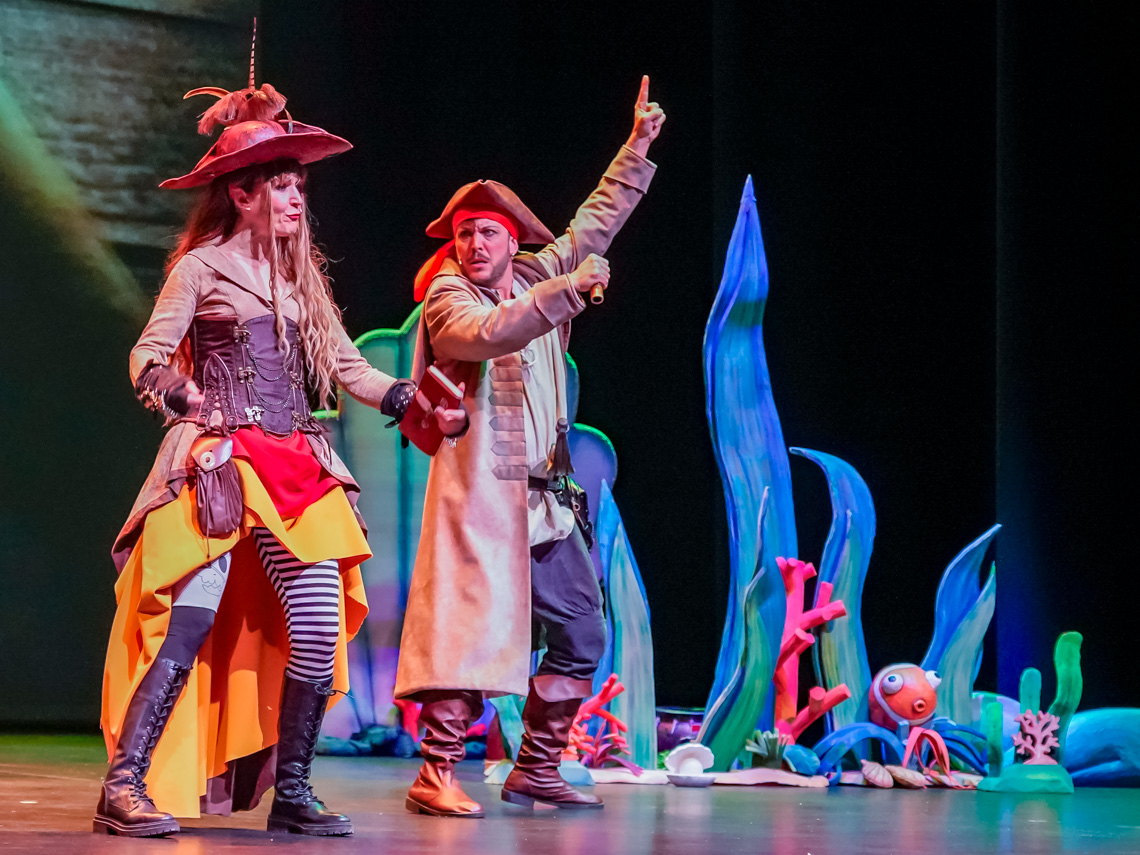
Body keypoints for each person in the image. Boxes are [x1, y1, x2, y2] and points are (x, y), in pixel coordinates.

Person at [96, 81, 466, 838]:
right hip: (222, 459)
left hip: (298, 460)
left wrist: (408, 398)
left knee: (321, 621)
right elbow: (146, 354)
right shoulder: (201, 269)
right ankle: (123, 784)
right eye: (282, 186)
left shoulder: (301, 277)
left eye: (300, 186)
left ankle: (292, 790)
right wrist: (175, 388)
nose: (298, 199)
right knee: (191, 617)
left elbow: (347, 366)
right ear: (241, 194)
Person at [395, 76, 665, 817]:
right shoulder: (448, 297)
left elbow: (594, 224)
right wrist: (570, 291)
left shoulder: (536, 274)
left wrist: (637, 146)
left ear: (514, 242)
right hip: (482, 501)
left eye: (487, 233)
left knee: (582, 631)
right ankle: (436, 770)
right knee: (470, 634)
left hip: (547, 501)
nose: (473, 245)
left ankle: (537, 767)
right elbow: (488, 332)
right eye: (464, 235)